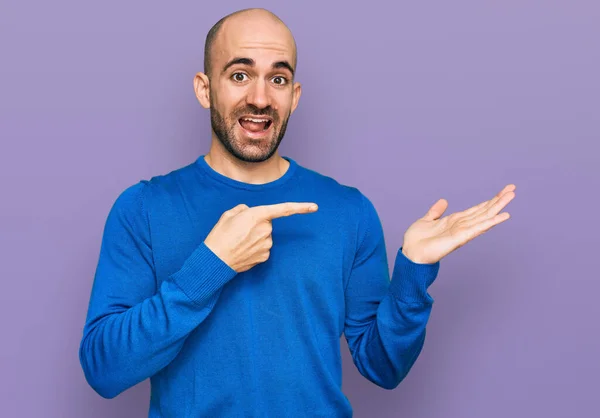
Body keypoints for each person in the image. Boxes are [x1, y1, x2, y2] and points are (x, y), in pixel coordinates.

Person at [78, 7, 516, 417]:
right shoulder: (143, 209)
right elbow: (104, 370)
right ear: (204, 88)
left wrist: (414, 271)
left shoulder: (349, 211)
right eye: (239, 74)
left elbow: (384, 367)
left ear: (295, 95)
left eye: (278, 80)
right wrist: (211, 267)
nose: (260, 98)